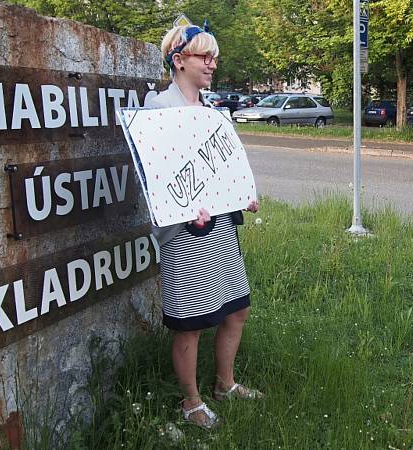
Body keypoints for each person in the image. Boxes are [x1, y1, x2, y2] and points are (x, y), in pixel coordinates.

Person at [148, 23, 263, 429]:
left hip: (221, 227)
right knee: (191, 323)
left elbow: (227, 168)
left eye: (214, 57)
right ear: (178, 61)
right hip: (184, 234)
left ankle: (225, 384)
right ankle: (191, 401)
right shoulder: (156, 112)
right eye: (204, 56)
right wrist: (184, 211)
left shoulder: (212, 112)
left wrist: (242, 194)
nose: (212, 64)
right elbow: (155, 180)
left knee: (236, 309)